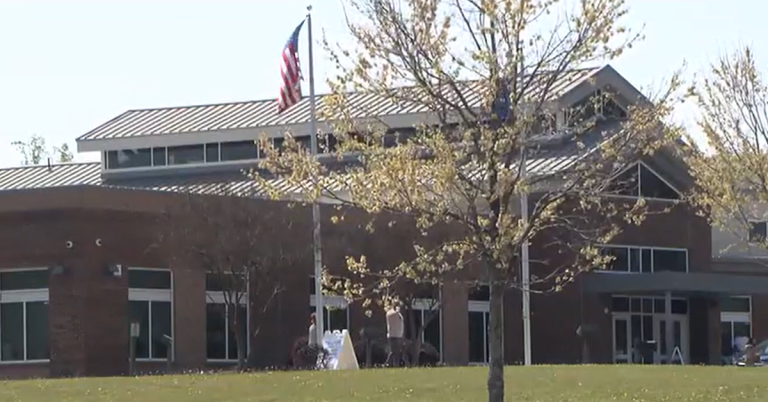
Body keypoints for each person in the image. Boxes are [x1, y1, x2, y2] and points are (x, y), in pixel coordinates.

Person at [385, 302, 404, 367]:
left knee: (397, 352)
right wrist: (397, 311)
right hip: (393, 335)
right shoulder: (391, 313)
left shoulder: (398, 314)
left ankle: (395, 364)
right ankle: (386, 364)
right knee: (393, 351)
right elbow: (392, 315)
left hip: (398, 335)